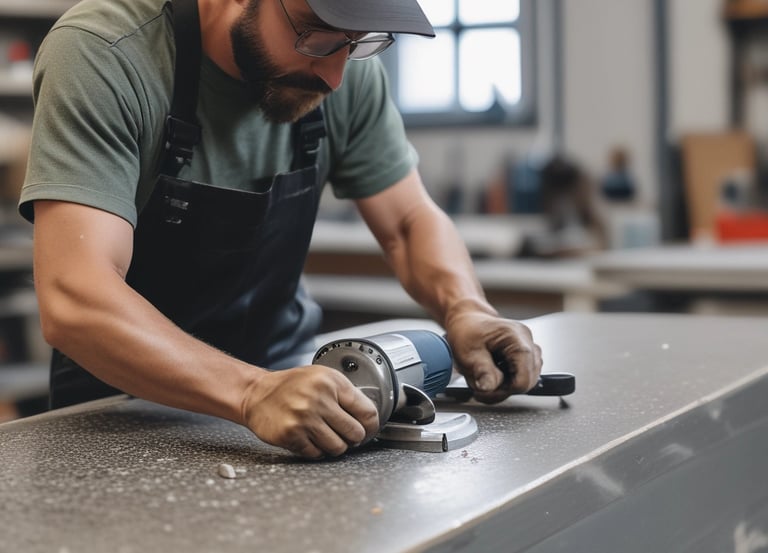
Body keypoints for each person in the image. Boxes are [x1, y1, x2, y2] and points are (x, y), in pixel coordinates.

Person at [20, 0, 542, 459]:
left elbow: (408, 222)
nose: (334, 75)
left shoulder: (342, 73)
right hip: (121, 417)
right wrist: (250, 393)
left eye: (357, 43)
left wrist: (466, 307)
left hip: (298, 403)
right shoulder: (104, 55)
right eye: (316, 32)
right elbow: (76, 297)